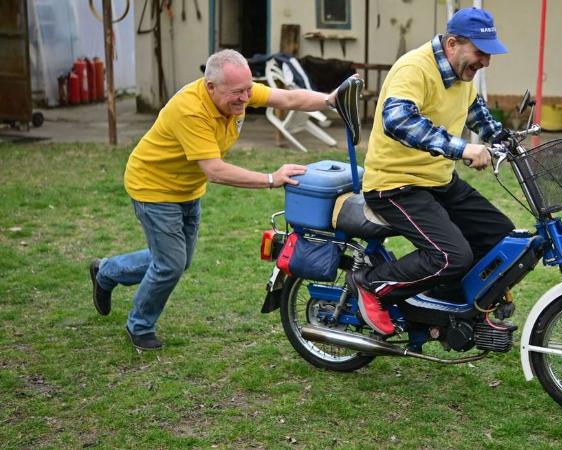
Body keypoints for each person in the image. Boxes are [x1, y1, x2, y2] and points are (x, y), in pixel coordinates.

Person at [89, 49, 340, 350]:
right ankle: (139, 326)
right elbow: (215, 170)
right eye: (237, 93)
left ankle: (106, 271)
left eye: (248, 90)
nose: (245, 98)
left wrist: (329, 99)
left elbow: (286, 99)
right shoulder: (191, 110)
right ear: (211, 87)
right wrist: (272, 179)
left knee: (176, 262)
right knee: (170, 264)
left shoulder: (238, 89)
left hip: (187, 189)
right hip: (153, 188)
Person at [348, 8, 514, 335]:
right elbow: (398, 121)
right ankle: (370, 285)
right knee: (450, 256)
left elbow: (478, 115)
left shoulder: (461, 75)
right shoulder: (415, 69)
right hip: (395, 185)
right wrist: (463, 148)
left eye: (489, 54)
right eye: (481, 52)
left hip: (437, 181)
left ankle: (447, 305)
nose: (486, 62)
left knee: (501, 237)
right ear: (452, 44)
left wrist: (505, 138)